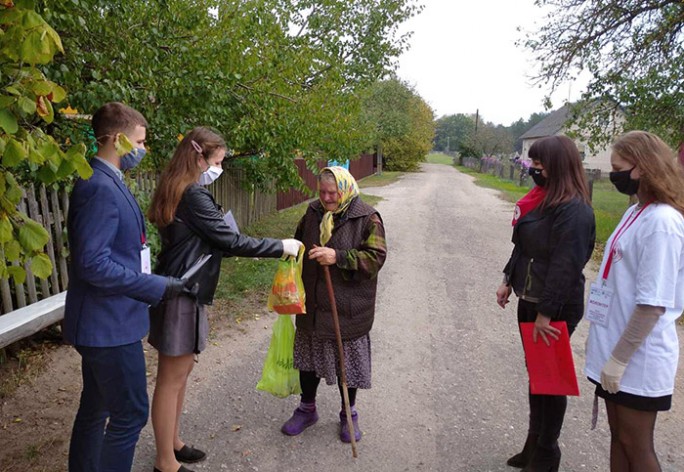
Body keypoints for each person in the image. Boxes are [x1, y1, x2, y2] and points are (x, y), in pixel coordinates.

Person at [147, 126, 303, 472]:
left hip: (185, 289)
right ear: (197, 156)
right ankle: (164, 462)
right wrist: (280, 246)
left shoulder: (178, 188)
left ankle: (173, 443)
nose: (217, 170)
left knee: (182, 371)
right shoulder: (192, 195)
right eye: (216, 162)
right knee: (171, 378)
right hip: (181, 292)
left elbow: (211, 240)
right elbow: (230, 240)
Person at [64, 102, 192, 472]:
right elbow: (93, 264)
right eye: (139, 141)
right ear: (118, 139)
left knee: (96, 406)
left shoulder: (104, 179)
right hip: (108, 325)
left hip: (109, 320)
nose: (142, 149)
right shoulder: (99, 186)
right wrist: (153, 285)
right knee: (130, 414)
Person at [585, 131, 684, 472]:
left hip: (636, 358)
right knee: (618, 438)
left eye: (618, 168)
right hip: (616, 349)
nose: (613, 175)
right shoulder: (637, 211)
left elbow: (652, 304)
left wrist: (618, 360)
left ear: (640, 168)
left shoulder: (662, 223)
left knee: (637, 446)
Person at [496, 135, 596, 472]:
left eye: (538, 165)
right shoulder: (543, 201)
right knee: (537, 376)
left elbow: (566, 267)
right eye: (532, 164)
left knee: (550, 381)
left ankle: (547, 454)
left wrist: (546, 314)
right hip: (531, 301)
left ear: (557, 167)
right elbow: (522, 246)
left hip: (554, 308)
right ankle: (533, 444)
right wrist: (508, 279)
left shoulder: (575, 211)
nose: (533, 170)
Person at [280, 166, 387, 443]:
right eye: (323, 192)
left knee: (346, 364)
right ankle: (307, 410)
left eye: (333, 193)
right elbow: (299, 242)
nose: (327, 198)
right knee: (308, 359)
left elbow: (375, 258)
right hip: (313, 304)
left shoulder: (367, 217)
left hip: (348, 307)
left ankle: (348, 415)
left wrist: (337, 256)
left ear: (346, 190)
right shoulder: (313, 212)